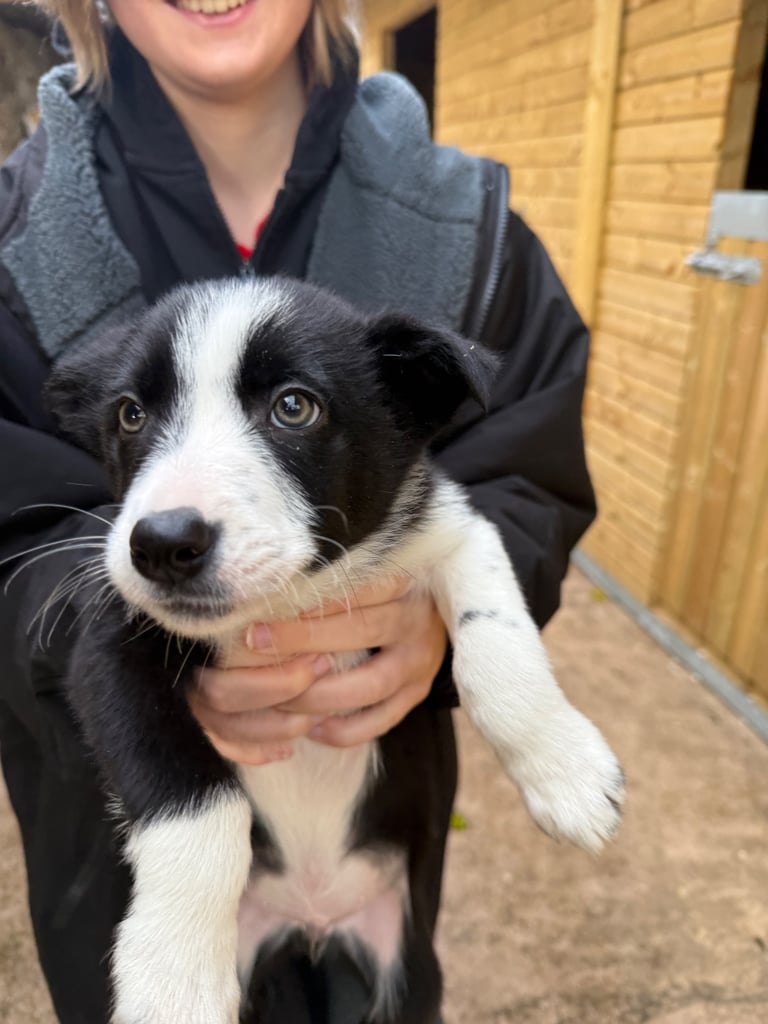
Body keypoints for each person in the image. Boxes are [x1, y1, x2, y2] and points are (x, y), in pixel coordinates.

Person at [0, 1, 597, 1021]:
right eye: (137, 413)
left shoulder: (474, 224)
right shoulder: (18, 238)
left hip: (374, 844)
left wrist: (453, 637)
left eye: (291, 405)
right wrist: (99, 628)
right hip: (121, 861)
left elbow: (518, 477)